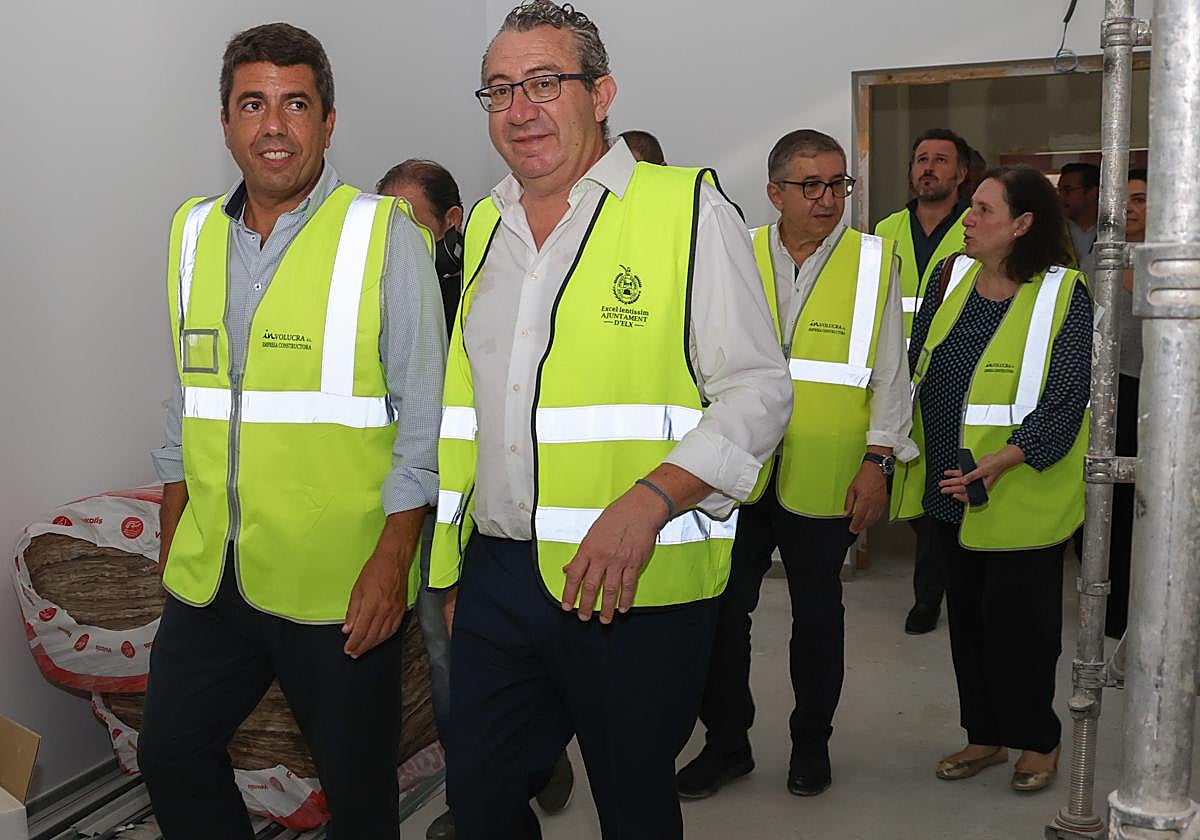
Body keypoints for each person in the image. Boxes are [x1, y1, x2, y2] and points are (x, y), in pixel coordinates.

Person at [428, 2, 792, 837]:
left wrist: (651, 500)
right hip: (500, 577)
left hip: (632, 581)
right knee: (479, 803)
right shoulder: (487, 224)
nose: (520, 110)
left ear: (602, 95)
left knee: (632, 803)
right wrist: (452, 567)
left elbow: (759, 389)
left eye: (545, 83)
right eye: (498, 91)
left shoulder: (685, 210)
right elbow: (465, 412)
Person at [140, 23, 447, 839]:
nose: (273, 125)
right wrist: (175, 527)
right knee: (168, 754)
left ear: (328, 120)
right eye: (253, 104)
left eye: (295, 104)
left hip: (337, 586)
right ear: (227, 121)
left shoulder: (384, 236)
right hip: (215, 576)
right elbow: (186, 396)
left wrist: (394, 563)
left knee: (358, 799)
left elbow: (427, 421)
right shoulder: (190, 234)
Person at [675, 130, 915, 800]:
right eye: (810, 185)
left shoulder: (874, 261)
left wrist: (880, 460)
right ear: (774, 192)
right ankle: (727, 744)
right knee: (722, 614)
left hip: (826, 473)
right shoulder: (738, 252)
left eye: (838, 183)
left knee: (818, 616)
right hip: (737, 468)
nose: (827, 198)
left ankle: (811, 745)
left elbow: (893, 373)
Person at [894, 164, 1091, 793]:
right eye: (969, 208)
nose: (966, 220)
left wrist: (1005, 458)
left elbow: (1067, 396)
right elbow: (917, 363)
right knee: (969, 625)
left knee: (1022, 629)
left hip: (1017, 491)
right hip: (951, 489)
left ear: (1023, 224)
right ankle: (984, 734)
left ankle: (1038, 738)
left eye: (982, 210)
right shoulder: (952, 278)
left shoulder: (1065, 293)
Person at [874, 127, 972, 635]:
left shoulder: (975, 228)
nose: (927, 168)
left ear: (961, 174)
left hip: (950, 378)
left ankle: (929, 595)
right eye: (920, 160)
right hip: (894, 376)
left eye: (939, 160)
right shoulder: (886, 230)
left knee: (942, 488)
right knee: (905, 486)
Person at [1105, 168, 1147, 639]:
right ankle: (1115, 613)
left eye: (1140, 199)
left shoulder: (1174, 262)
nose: (1131, 208)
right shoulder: (1106, 257)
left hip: (1158, 397)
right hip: (1113, 396)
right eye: (1127, 200)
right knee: (1113, 504)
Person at [378, 160, 465, 333]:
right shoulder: (377, 294)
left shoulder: (479, 297)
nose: (397, 241)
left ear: (452, 219)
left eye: (410, 228)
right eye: (389, 228)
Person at [1057, 162, 1100, 275]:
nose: (1061, 197)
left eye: (1068, 190)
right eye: (1059, 190)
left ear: (1092, 192)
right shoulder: (1052, 232)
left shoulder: (1113, 230)